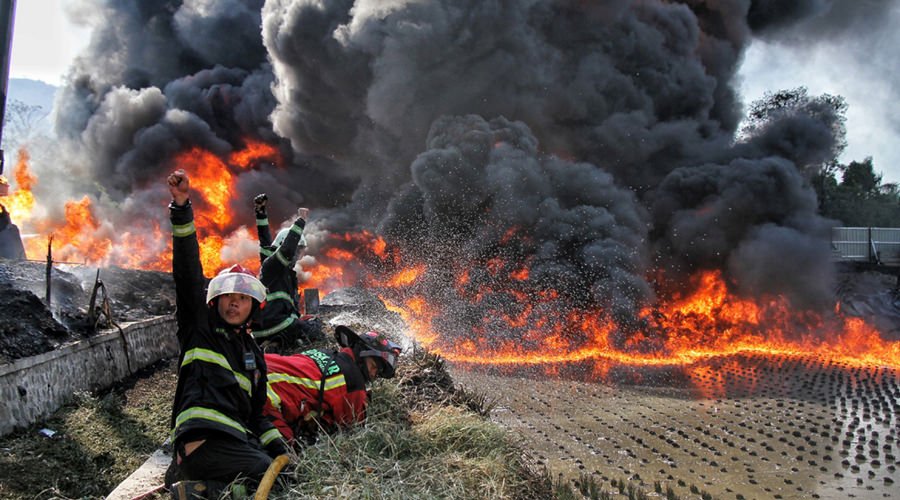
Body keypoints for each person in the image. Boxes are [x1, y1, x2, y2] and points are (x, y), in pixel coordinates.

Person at [165, 170, 288, 500]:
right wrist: (182, 208)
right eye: (228, 296)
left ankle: (202, 489)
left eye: (243, 298)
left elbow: (258, 414)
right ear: (215, 301)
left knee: (283, 473)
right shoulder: (199, 330)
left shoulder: (253, 356)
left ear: (253, 307)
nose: (235, 302)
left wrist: (282, 450)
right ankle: (194, 490)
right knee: (267, 476)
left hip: (233, 443)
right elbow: (188, 275)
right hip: (203, 441)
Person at [263, 325, 402, 446]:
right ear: (362, 354)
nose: (373, 374)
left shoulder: (326, 353)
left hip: (257, 367)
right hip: (266, 397)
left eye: (377, 372)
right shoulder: (352, 382)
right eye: (373, 366)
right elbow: (353, 428)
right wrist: (363, 401)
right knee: (286, 455)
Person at [252, 193, 324, 346]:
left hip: (265, 328)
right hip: (277, 325)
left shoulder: (271, 265)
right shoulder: (275, 264)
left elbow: (265, 242)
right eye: (299, 250)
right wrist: (301, 221)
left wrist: (261, 213)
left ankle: (276, 345)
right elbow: (287, 250)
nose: (299, 255)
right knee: (316, 331)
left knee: (305, 324)